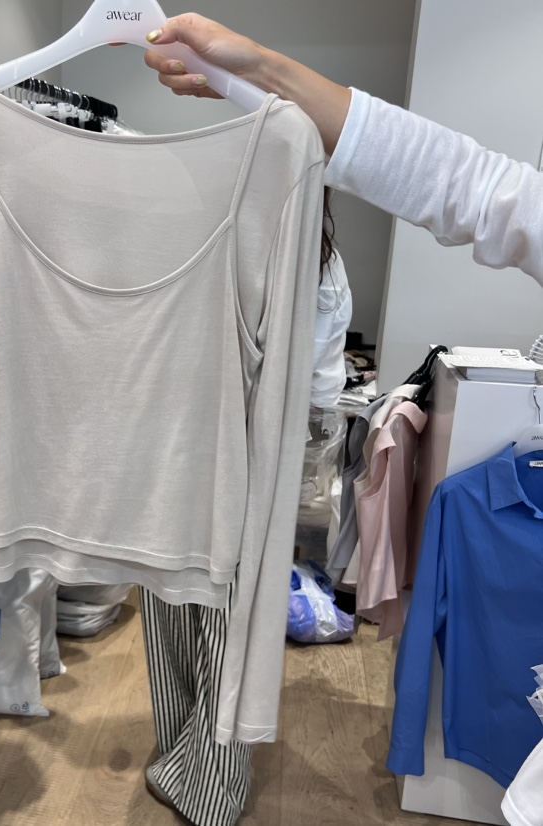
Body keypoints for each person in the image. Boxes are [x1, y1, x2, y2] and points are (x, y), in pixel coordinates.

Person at [137, 12, 543, 826]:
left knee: (202, 598)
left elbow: (474, 188)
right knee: (206, 601)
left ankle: (204, 766)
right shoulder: (294, 254)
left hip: (218, 442)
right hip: (233, 443)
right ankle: (198, 759)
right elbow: (470, 185)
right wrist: (255, 71)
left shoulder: (283, 258)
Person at [140, 189, 352, 826]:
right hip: (260, 450)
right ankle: (209, 773)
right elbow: (323, 384)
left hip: (173, 439)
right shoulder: (316, 255)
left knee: (171, 596)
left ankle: (195, 766)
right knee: (234, 615)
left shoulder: (191, 223)